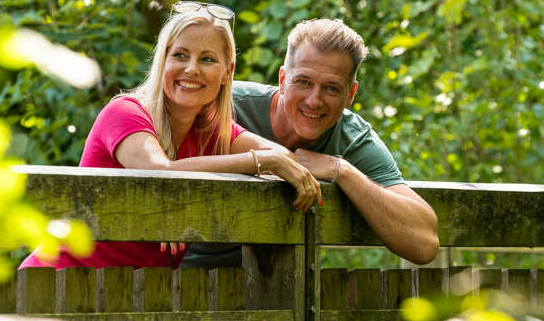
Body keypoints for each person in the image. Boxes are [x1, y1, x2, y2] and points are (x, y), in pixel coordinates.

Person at [20, 2, 320, 270]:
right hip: (56, 283)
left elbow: (283, 158)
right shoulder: (125, 113)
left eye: (207, 59)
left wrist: (189, 206)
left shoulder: (211, 130)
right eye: (180, 55)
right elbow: (159, 173)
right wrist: (260, 161)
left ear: (227, 72)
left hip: (127, 299)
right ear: (163, 60)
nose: (191, 69)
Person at [183, 18, 439, 268]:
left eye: (331, 88)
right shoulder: (222, 104)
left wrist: (342, 170)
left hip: (275, 300)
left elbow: (424, 244)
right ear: (283, 80)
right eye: (303, 82)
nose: (314, 101)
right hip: (167, 281)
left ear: (350, 94)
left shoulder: (352, 139)